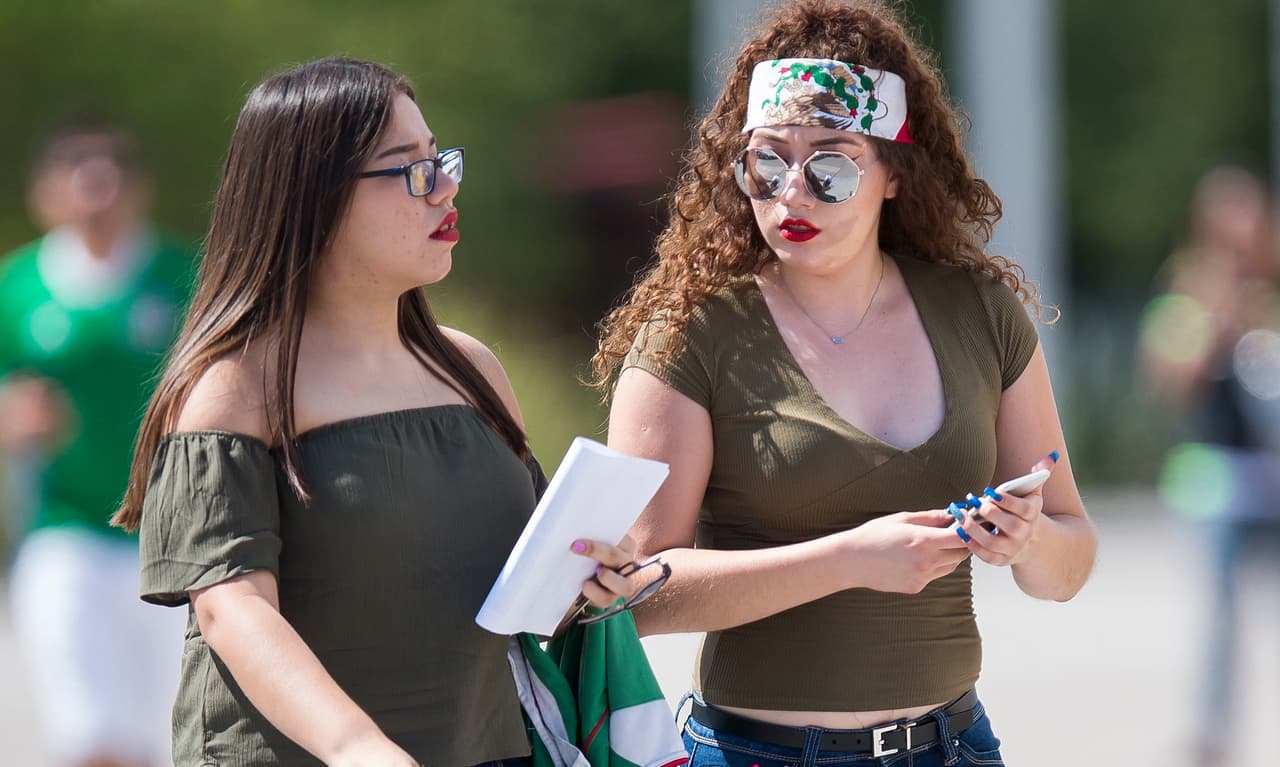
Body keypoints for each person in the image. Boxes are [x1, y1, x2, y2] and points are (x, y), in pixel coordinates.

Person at [591, 1, 1098, 764]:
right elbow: (630, 592)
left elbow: (1069, 560)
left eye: (829, 165)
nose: (791, 192)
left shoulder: (979, 313)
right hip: (759, 752)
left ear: (894, 172)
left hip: (953, 744)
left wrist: (1025, 542)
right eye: (766, 161)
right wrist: (847, 559)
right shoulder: (692, 330)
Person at [110, 57, 644, 767]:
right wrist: (359, 747)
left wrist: (595, 573)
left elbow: (520, 586)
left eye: (441, 159)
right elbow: (231, 609)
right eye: (412, 170)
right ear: (314, 196)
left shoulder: (472, 368)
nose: (446, 186)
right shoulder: (232, 388)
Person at [0, 113, 192, 767]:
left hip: (177, 534)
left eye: (113, 167)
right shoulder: (17, 287)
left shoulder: (184, 275)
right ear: (44, 190)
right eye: (76, 167)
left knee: (178, 732)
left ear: (139, 186)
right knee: (95, 738)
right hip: (66, 532)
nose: (96, 183)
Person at [1139, 165, 1280, 767]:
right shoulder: (1187, 290)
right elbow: (1170, 380)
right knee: (1221, 619)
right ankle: (1214, 734)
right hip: (1218, 478)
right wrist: (1215, 322)